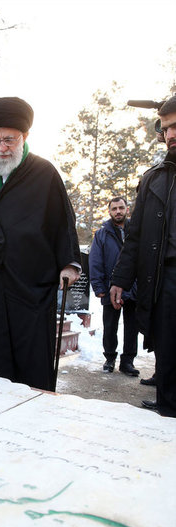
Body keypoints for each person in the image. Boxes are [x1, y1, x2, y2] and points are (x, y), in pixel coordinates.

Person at [0, 97, 81, 390]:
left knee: (27, 359)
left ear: (25, 138)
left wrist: (69, 265)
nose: (2, 147)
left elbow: (62, 223)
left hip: (28, 282)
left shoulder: (44, 173)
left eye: (9, 140)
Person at [110, 95, 176, 418]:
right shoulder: (152, 179)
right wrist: (120, 280)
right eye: (166, 129)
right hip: (162, 279)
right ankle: (166, 404)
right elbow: (134, 237)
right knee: (164, 343)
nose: (171, 134)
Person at [89, 196, 139, 376]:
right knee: (110, 326)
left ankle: (128, 362)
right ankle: (109, 358)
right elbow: (95, 261)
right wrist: (99, 287)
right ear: (109, 211)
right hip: (110, 289)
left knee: (132, 327)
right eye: (114, 209)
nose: (118, 211)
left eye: (121, 208)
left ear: (127, 209)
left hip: (133, 288)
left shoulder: (137, 231)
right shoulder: (102, 233)